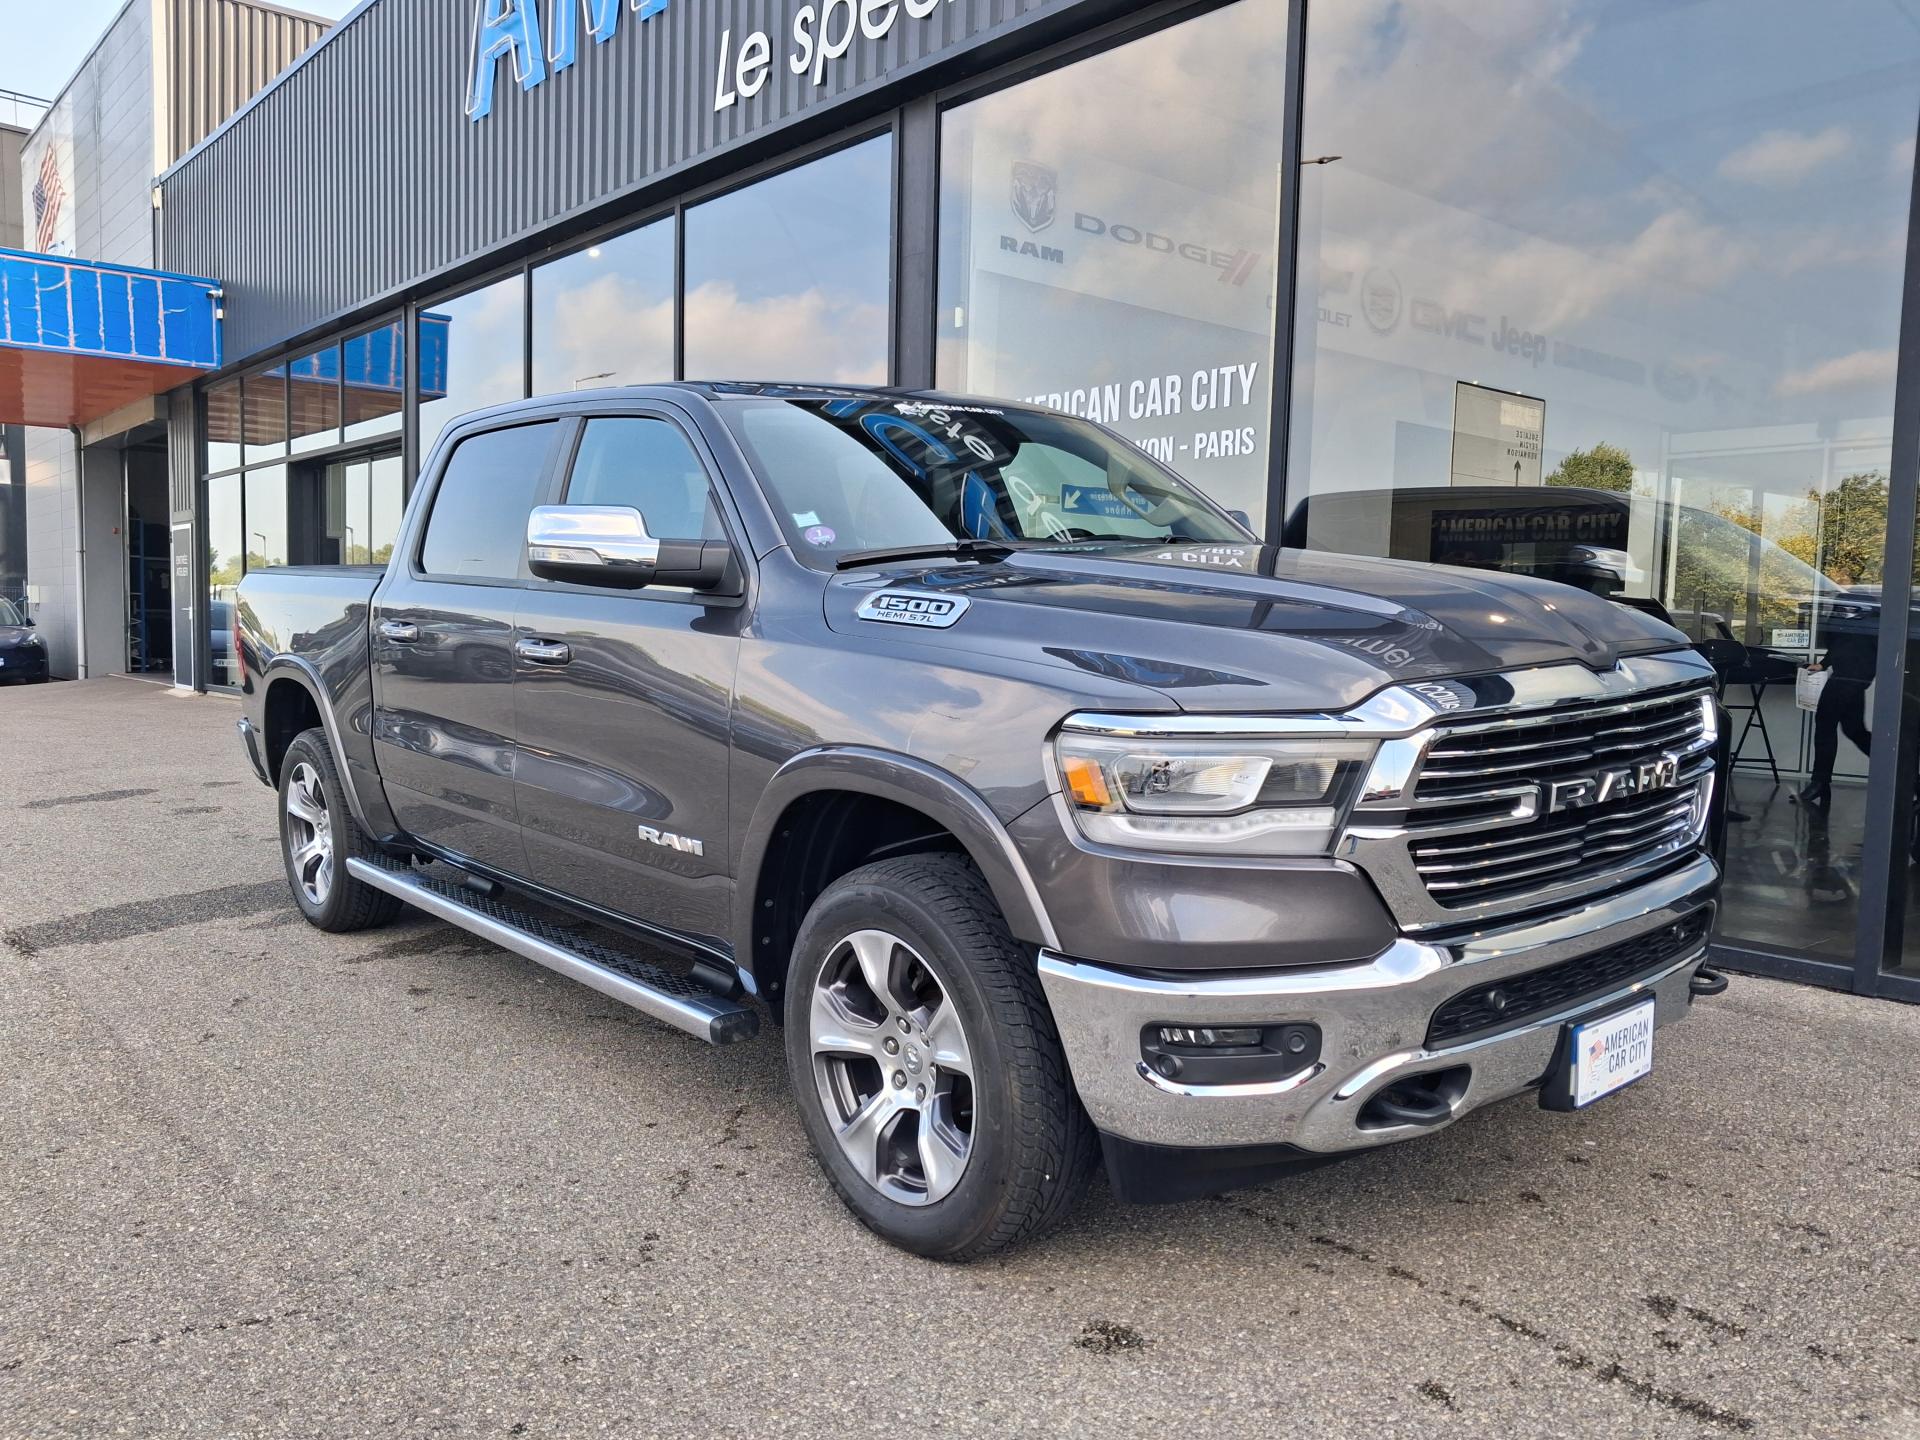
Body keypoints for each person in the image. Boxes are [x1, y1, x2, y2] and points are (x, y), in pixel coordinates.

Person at [1796, 626, 1876, 808]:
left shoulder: (1867, 613)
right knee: (1854, 730)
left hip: (1850, 680)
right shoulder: (1845, 610)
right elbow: (1838, 646)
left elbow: (1876, 651)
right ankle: (1904, 771)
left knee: (1826, 726)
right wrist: (1824, 664)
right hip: (1849, 679)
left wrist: (1862, 679)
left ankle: (1820, 782)